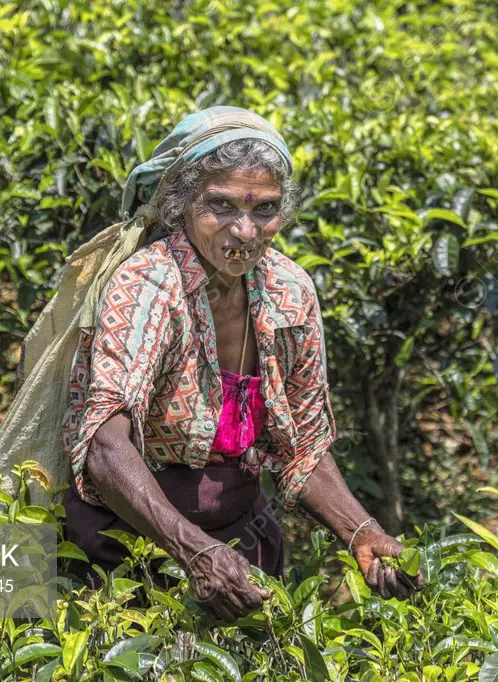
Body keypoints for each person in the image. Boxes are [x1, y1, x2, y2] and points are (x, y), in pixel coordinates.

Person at [59, 106, 423, 622]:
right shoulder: (149, 285)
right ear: (183, 205)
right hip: (128, 546)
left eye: (265, 209)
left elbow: (303, 444)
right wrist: (194, 552)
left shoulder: (289, 291)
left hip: (238, 544)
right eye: (222, 207)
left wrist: (361, 532)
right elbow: (104, 443)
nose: (246, 231)